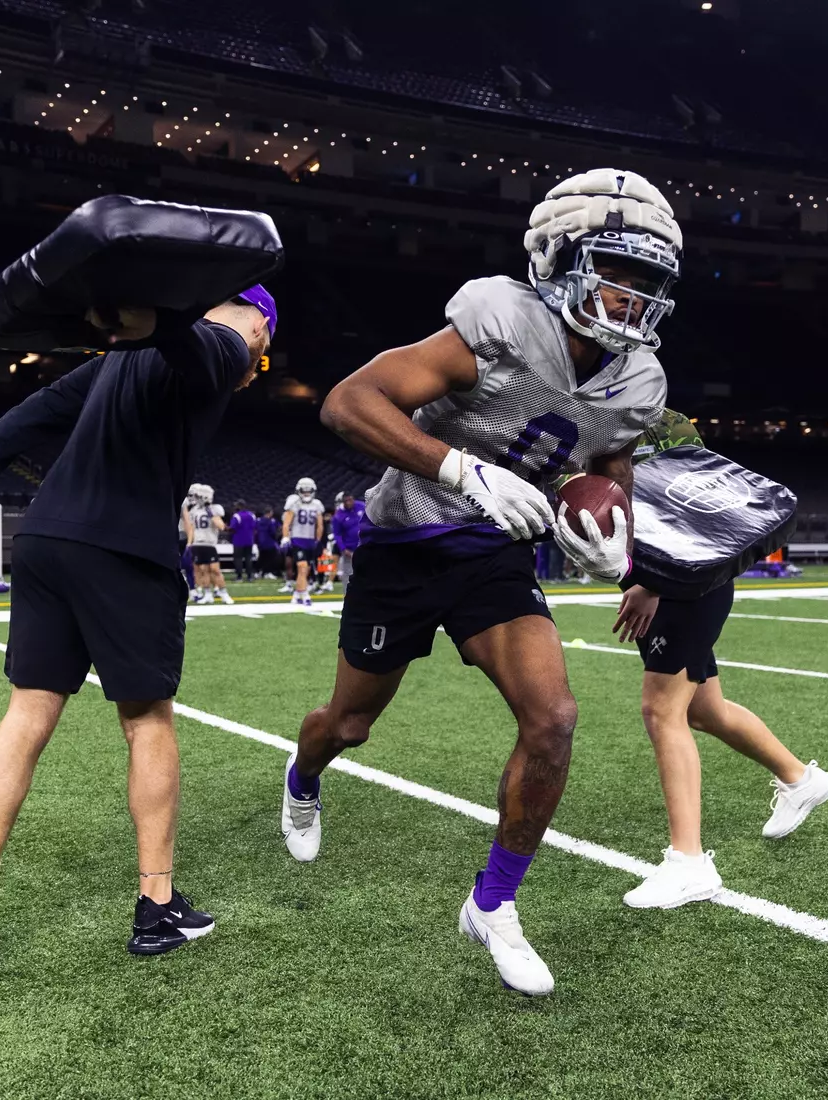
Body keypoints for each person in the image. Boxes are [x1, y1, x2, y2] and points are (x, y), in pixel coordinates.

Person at [281, 169, 681, 995]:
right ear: (559, 258)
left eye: (647, 283)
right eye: (616, 272)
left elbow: (608, 461)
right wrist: (459, 468)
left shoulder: (639, 378)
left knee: (554, 718)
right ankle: (304, 776)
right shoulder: (499, 317)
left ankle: (493, 906)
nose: (630, 298)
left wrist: (618, 542)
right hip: (405, 539)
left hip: (494, 553)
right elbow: (350, 402)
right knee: (349, 725)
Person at [0, 283, 276, 957]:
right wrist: (158, 314)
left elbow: (36, 410)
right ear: (260, 333)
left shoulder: (123, 358)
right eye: (264, 350)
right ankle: (157, 908)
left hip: (47, 537)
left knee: (26, 715)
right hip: (126, 547)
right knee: (146, 721)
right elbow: (199, 347)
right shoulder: (225, 342)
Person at [612, 409, 828, 909]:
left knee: (661, 710)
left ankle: (688, 863)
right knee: (703, 709)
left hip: (684, 585)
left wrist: (650, 584)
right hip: (675, 582)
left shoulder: (660, 423)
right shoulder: (603, 419)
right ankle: (801, 779)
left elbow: (697, 511)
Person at [184, 482, 234, 605]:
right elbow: (191, 528)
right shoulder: (193, 510)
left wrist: (210, 512)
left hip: (209, 544)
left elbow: (221, 526)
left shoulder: (214, 509)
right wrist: (189, 543)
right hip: (197, 544)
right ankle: (207, 594)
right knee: (203, 570)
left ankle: (223, 593)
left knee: (215, 570)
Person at [281, 476, 325, 605]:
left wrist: (317, 540)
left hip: (310, 540)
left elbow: (320, 525)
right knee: (302, 566)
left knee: (306, 569)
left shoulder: (317, 504)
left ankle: (297, 594)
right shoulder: (294, 502)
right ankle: (305, 595)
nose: (306, 493)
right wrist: (285, 537)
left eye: (308, 491)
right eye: (304, 490)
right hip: (297, 539)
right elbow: (286, 523)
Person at [331, 490, 365, 595]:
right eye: (346, 501)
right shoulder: (338, 516)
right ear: (343, 502)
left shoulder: (362, 507)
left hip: (364, 546)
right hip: (349, 549)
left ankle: (366, 595)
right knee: (348, 574)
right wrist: (343, 549)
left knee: (366, 572)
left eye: (350, 500)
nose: (349, 502)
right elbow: (337, 534)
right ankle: (348, 596)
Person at [228, 498, 256, 581]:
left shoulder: (236, 516)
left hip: (238, 540)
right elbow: (255, 528)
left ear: (239, 506)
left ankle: (239, 577)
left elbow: (233, 528)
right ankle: (250, 576)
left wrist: (227, 528)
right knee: (248, 558)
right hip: (249, 540)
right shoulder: (252, 515)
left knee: (238, 558)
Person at [255, 505, 281, 578]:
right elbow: (273, 532)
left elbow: (255, 531)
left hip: (260, 542)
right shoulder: (270, 521)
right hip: (269, 542)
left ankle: (257, 572)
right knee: (270, 558)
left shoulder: (258, 520)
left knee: (262, 558)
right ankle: (267, 572)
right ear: (270, 513)